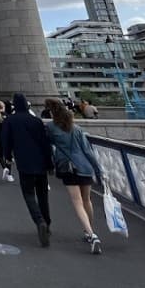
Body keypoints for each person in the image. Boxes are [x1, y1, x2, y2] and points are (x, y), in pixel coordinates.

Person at [45, 99, 104, 254]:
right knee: (87, 200)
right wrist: (99, 170)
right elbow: (88, 151)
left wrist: (50, 164)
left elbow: (47, 145)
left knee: (77, 202)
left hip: (68, 167)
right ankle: (90, 231)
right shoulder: (76, 128)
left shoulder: (51, 127)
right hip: (84, 167)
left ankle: (91, 234)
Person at [1, 93, 54, 247]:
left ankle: (39, 221)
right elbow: (46, 144)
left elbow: (6, 141)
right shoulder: (36, 121)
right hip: (41, 164)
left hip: (25, 164)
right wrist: (50, 165)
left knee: (29, 194)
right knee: (43, 195)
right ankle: (47, 224)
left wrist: (7, 157)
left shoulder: (10, 120)